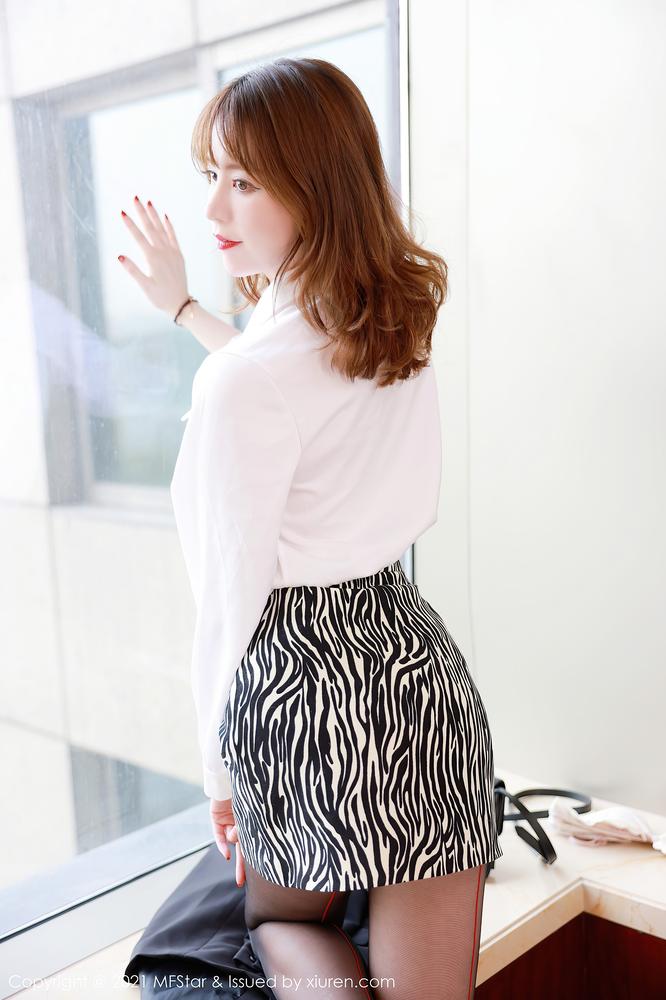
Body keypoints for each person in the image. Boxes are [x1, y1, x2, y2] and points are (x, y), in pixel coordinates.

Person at [118, 57, 502, 1000]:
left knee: (281, 920)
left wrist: (218, 774)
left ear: (315, 185)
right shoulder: (395, 323)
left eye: (245, 182)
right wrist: (185, 309)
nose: (214, 208)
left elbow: (229, 602)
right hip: (415, 670)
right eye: (212, 174)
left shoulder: (249, 380)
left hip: (303, 692)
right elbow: (287, 391)